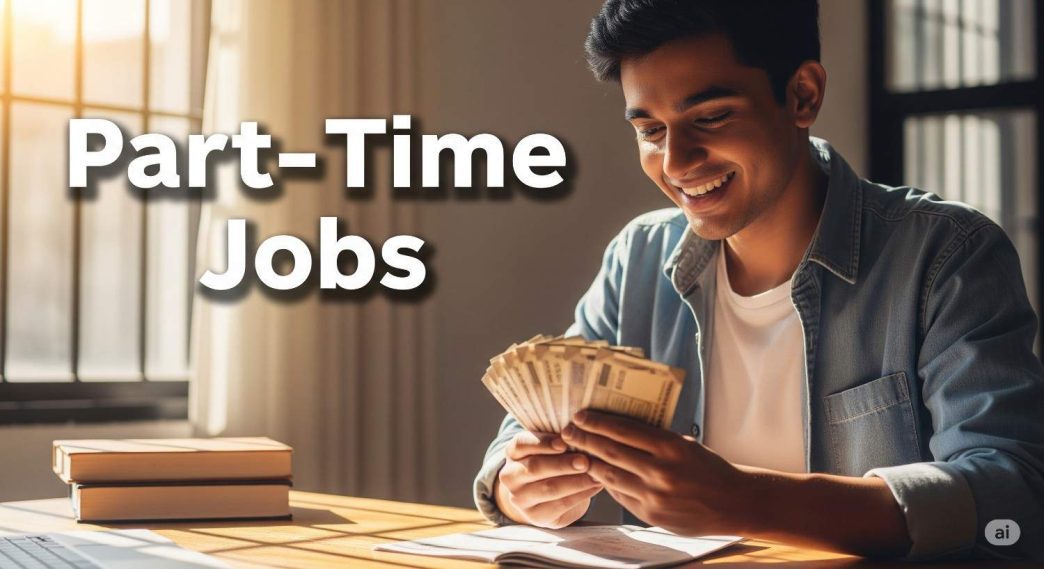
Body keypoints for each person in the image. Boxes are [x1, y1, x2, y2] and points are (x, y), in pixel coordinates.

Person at [473, 0, 1044, 561]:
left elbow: (1011, 499)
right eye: (650, 130)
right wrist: (518, 485)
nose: (676, 162)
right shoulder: (639, 257)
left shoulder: (946, 255)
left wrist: (741, 500)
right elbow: (522, 435)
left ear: (803, 95)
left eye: (711, 118)